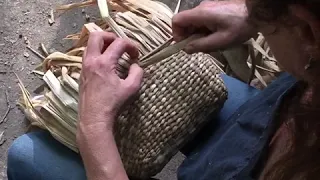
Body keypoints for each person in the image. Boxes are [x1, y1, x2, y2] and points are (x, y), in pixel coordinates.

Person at [6, 0, 320, 179]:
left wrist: (94, 127)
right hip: (266, 117)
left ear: (307, 31)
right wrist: (252, 18)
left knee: (27, 157)